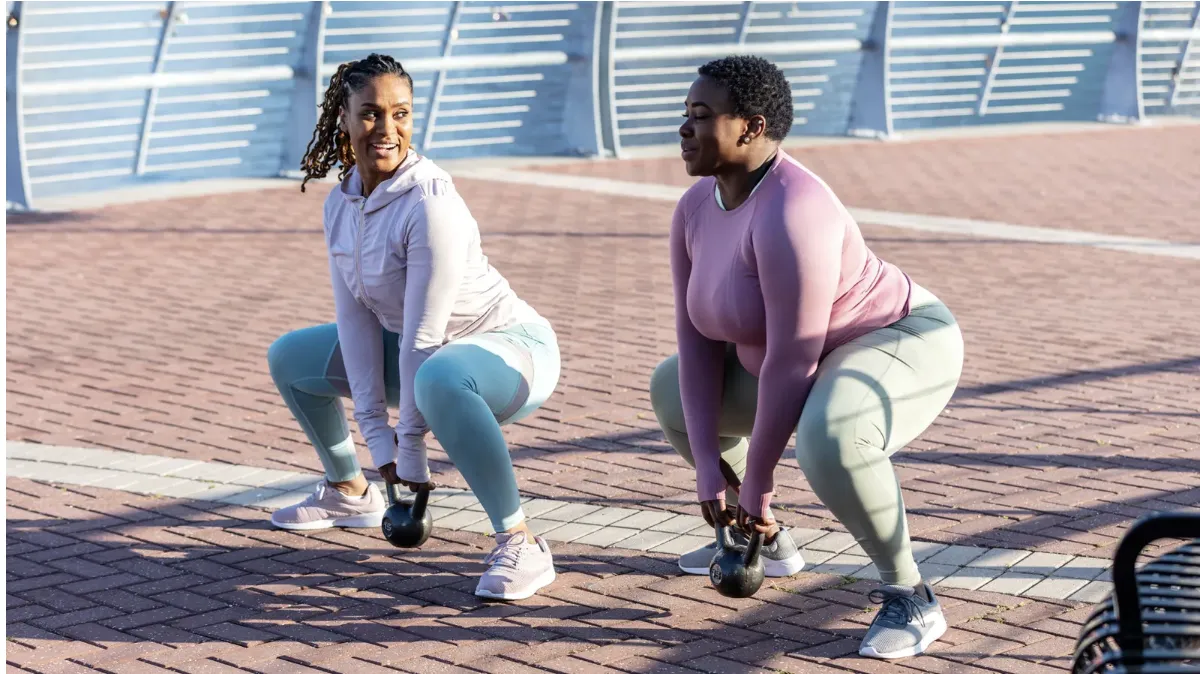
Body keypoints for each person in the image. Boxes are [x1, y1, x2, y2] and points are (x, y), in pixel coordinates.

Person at [649, 55, 965, 659]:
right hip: (796, 356)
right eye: (684, 116)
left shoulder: (794, 210)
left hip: (895, 338)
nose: (684, 129)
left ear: (751, 127)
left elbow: (792, 363)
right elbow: (695, 343)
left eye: (701, 116)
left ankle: (911, 594)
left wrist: (758, 485)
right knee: (671, 390)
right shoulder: (693, 208)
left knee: (832, 438)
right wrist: (710, 472)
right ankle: (767, 543)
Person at [266, 53, 561, 601]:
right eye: (371, 113)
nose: (387, 128)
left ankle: (520, 540)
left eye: (400, 114)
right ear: (345, 121)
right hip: (427, 359)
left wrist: (410, 452)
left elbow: (426, 337)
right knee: (290, 357)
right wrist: (378, 445)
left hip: (509, 353)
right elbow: (354, 324)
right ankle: (349, 492)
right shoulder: (342, 201)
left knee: (439, 375)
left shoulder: (431, 203)